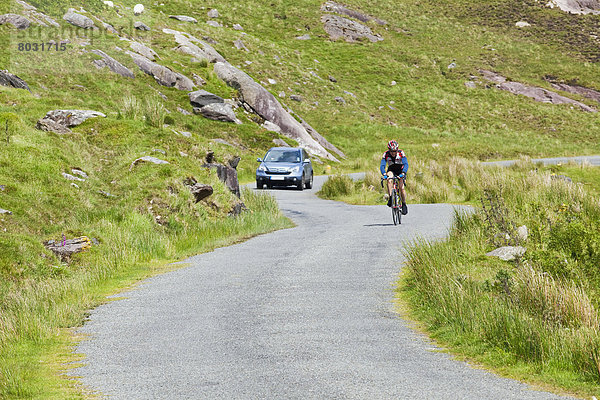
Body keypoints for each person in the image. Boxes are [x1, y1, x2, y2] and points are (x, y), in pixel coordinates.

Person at [380, 140, 408, 215]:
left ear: (397, 149)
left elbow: (406, 164)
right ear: (389, 150)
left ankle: (404, 204)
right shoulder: (385, 154)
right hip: (391, 169)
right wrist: (384, 174)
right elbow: (382, 165)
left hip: (400, 170)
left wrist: (403, 173)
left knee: (401, 188)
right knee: (389, 180)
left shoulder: (401, 153)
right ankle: (391, 197)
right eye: (391, 151)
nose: (393, 153)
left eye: (395, 151)